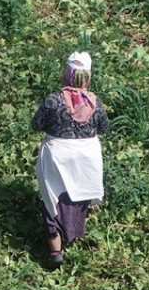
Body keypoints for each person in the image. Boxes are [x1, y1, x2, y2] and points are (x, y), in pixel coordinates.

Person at [32, 52, 110, 268]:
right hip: (86, 157)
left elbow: (36, 125)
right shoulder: (95, 102)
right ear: (87, 77)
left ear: (66, 74)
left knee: (53, 198)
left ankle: (56, 250)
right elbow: (104, 128)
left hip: (58, 155)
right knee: (77, 196)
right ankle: (73, 231)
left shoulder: (53, 100)